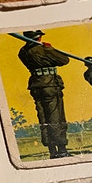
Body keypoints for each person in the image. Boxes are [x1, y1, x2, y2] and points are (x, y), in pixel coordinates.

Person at [17, 30, 70, 159]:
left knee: (43, 118)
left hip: (36, 86)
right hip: (50, 85)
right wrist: (50, 49)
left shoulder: (22, 52)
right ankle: (62, 150)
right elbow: (64, 60)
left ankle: (52, 150)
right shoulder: (43, 49)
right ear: (39, 37)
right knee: (56, 117)